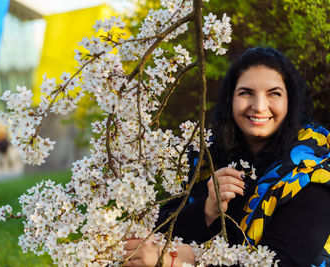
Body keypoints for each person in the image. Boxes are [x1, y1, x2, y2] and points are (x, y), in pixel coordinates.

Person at [123, 47, 330, 266]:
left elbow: (280, 261)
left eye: (274, 93)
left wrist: (178, 258)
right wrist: (208, 210)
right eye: (246, 93)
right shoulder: (208, 157)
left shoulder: (315, 170)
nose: (259, 107)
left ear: (291, 100)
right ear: (230, 99)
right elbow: (157, 227)